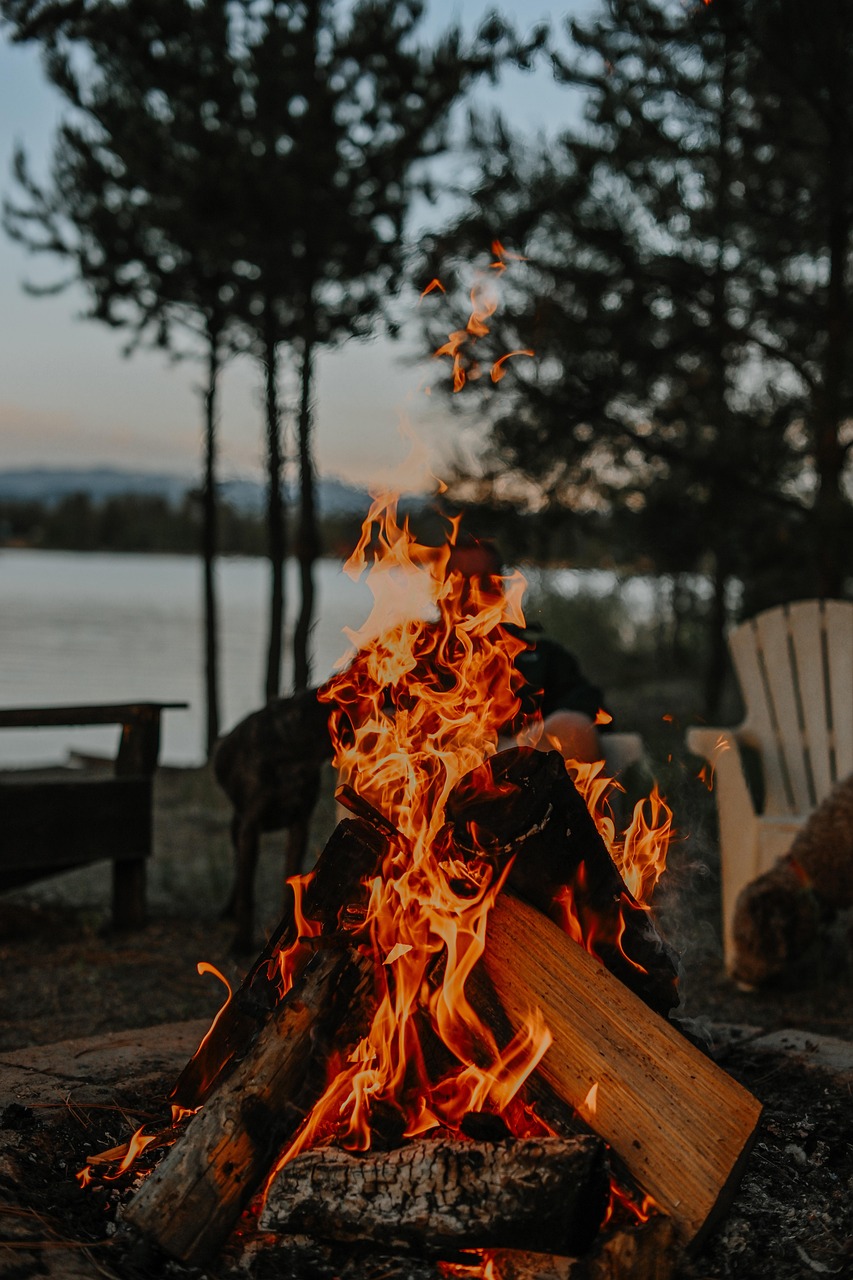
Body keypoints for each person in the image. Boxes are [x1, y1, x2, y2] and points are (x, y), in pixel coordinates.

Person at [445, 538, 609, 765]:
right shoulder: (408, 655)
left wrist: (516, 741)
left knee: (573, 727)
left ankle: (502, 770)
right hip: (436, 768)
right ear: (441, 589)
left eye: (482, 581)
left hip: (519, 765)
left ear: (499, 587)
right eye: (459, 581)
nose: (472, 593)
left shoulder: (541, 655)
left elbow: (589, 707)